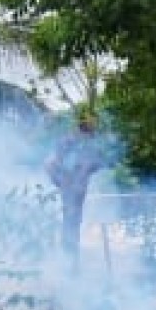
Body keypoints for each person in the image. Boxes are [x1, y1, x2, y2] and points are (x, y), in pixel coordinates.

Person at [45, 110, 104, 272]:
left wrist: (86, 170)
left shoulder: (88, 146)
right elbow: (51, 164)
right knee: (70, 224)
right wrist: (62, 182)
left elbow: (96, 165)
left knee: (73, 224)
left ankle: (71, 264)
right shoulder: (67, 142)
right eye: (91, 132)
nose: (93, 136)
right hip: (70, 190)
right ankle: (69, 265)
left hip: (78, 191)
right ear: (84, 131)